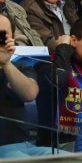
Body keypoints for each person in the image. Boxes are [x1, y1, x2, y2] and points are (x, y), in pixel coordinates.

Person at [0, 12, 56, 157]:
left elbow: (30, 94)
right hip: (3, 149)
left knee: (69, 159)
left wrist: (5, 63)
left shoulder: (20, 66)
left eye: (2, 35)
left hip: (26, 145)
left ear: (12, 38)